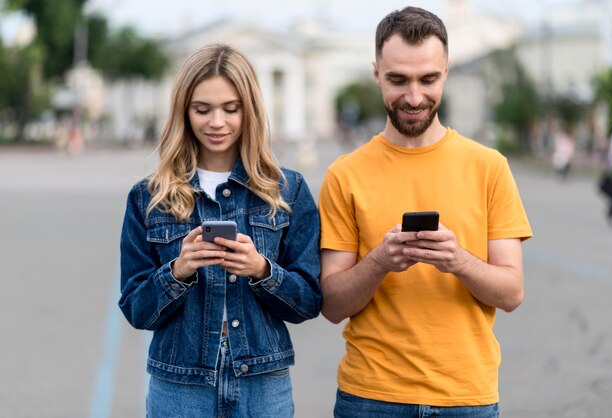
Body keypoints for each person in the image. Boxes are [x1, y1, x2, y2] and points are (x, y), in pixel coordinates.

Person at [318, 7, 533, 418]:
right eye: (398, 79)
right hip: (370, 397)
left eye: (428, 79)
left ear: (446, 72)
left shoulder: (489, 167)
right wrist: (380, 261)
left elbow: (512, 292)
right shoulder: (345, 175)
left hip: (466, 398)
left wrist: (458, 261)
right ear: (377, 73)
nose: (414, 97)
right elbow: (331, 304)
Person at [119, 43, 322, 418]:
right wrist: (177, 271)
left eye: (231, 109)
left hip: (263, 385)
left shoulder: (287, 191)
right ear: (184, 111)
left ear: (251, 110)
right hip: (180, 386)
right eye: (202, 109)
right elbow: (136, 310)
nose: (217, 122)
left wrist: (263, 271)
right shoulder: (148, 197)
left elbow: (308, 302)